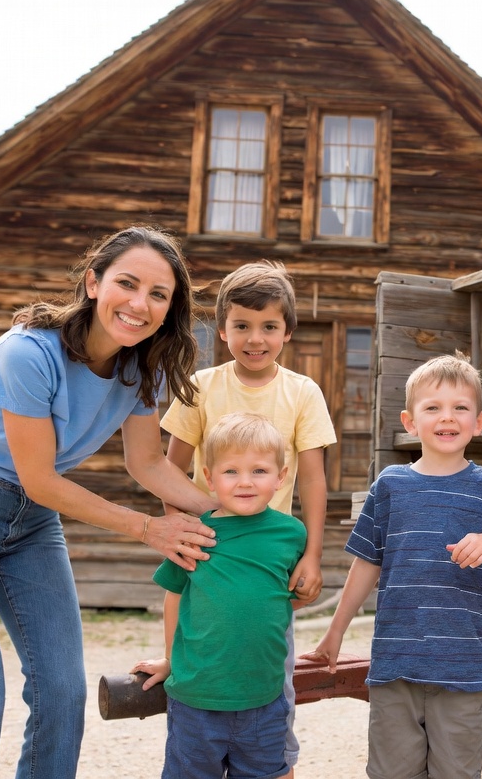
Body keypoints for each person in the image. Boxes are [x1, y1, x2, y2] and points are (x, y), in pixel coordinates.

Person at [0, 225, 222, 779]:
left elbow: (146, 464)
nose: (139, 304)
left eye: (159, 294)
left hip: (28, 523)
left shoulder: (140, 366)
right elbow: (40, 479)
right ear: (94, 283)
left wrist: (235, 512)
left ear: (171, 309)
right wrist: (151, 530)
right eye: (127, 283)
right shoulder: (26, 352)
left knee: (62, 694)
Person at [305, 353, 482, 779]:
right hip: (395, 666)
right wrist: (335, 631)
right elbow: (367, 564)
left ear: (478, 422)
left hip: (462, 669)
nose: (447, 418)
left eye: (460, 408)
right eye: (433, 408)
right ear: (410, 422)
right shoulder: (390, 485)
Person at [159, 259, 336, 776]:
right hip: (208, 540)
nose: (254, 339)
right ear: (222, 327)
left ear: (287, 331)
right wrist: (180, 531)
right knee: (198, 625)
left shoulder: (302, 392)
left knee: (267, 652)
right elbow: (169, 469)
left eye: (268, 327)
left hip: (270, 548)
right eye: (241, 325)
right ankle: (181, 683)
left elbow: (313, 479)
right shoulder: (200, 386)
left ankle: (271, 758)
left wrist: (312, 554)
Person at [133, 412, 306, 779]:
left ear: (281, 477)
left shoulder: (291, 535)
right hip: (197, 700)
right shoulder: (195, 533)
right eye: (231, 472)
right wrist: (170, 660)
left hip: (264, 698)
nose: (245, 482)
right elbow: (175, 597)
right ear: (209, 478)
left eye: (259, 471)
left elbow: (284, 598)